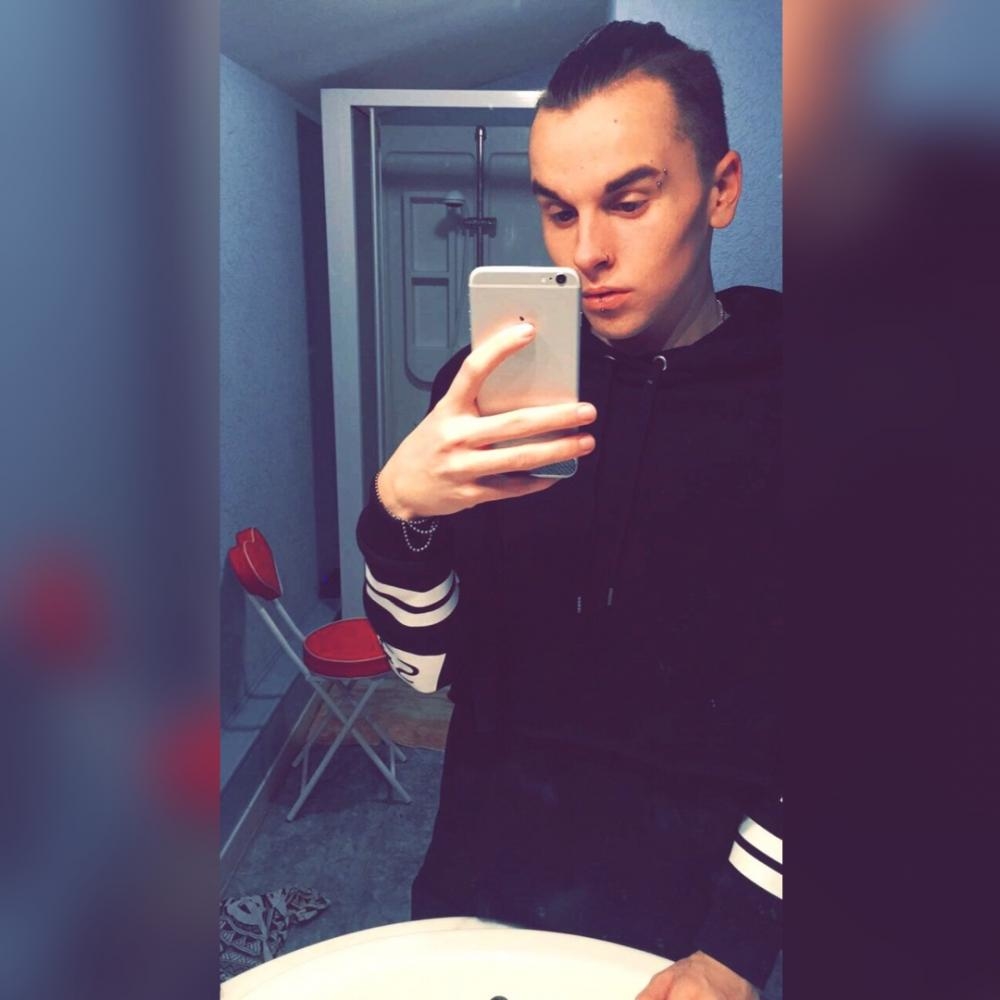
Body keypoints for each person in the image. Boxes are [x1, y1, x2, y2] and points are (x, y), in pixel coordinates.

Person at [357, 21, 781, 1000]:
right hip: (480, 885)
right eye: (557, 210)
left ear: (721, 189)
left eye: (628, 202)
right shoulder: (487, 391)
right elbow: (424, 670)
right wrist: (400, 516)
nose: (587, 252)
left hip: (690, 924)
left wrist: (740, 941)